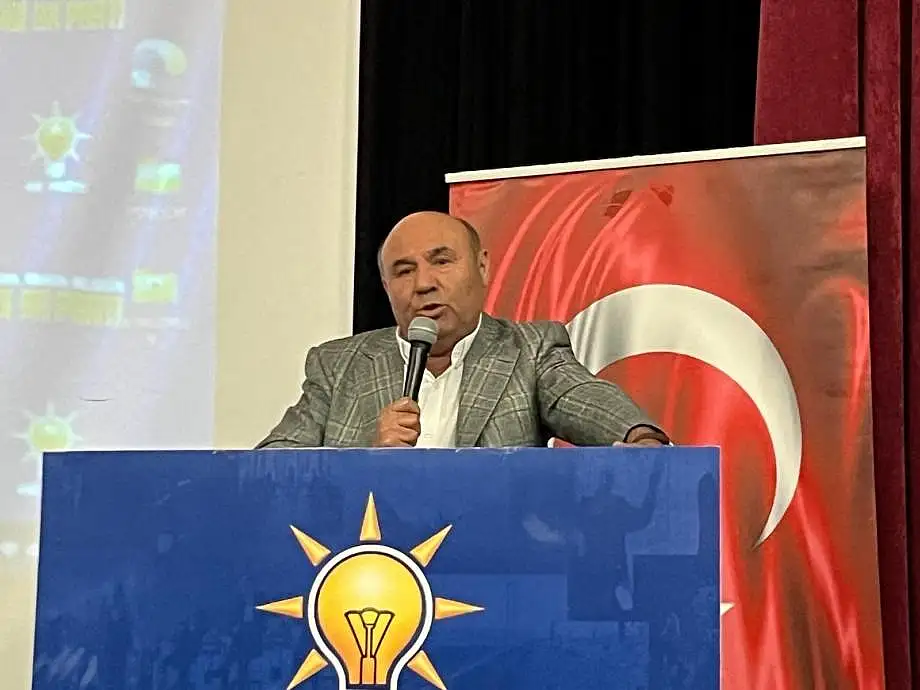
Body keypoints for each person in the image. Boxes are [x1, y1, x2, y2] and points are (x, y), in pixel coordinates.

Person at [257, 211, 669, 449]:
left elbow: (582, 398)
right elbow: (273, 467)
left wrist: (638, 436)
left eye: (441, 262)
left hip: (489, 554)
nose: (424, 283)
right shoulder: (337, 364)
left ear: (482, 267)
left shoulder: (530, 350)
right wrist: (365, 454)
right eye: (404, 271)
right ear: (386, 286)